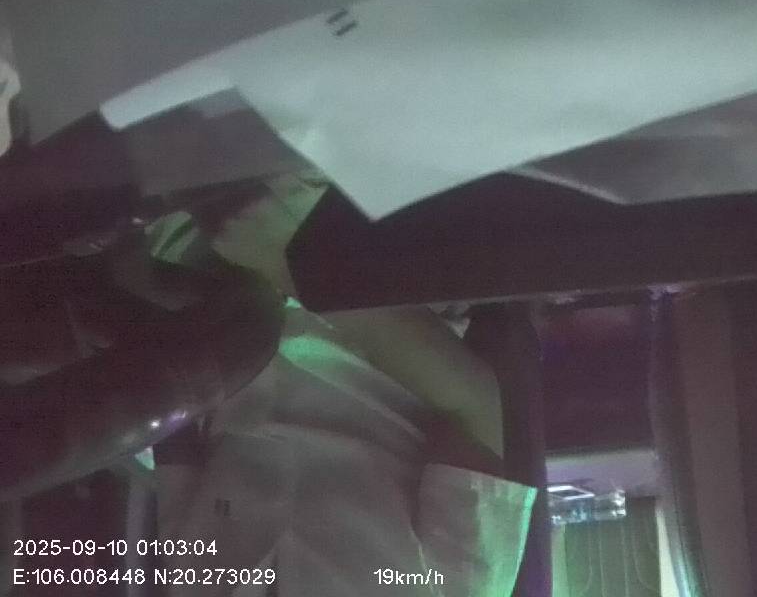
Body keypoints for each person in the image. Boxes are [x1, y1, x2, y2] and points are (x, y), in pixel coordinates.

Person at [146, 170, 535, 596]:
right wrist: (289, 264)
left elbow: (169, 423)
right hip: (368, 270)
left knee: (131, 176)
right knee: (278, 151)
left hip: (211, 293)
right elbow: (472, 399)